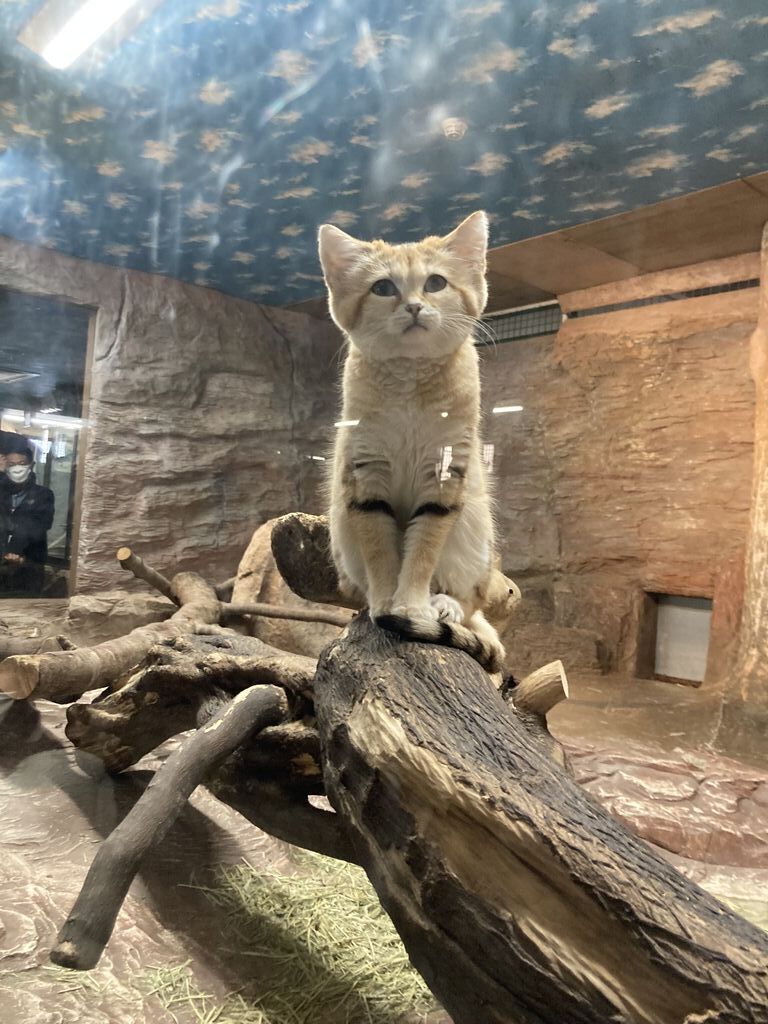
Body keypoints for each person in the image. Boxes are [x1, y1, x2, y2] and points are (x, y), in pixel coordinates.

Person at [0, 437, 55, 595]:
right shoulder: (2, 490)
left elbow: (36, 525)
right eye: (11, 464)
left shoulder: (43, 494)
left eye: (22, 463)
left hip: (29, 569)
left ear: (32, 465)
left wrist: (15, 552)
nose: (17, 468)